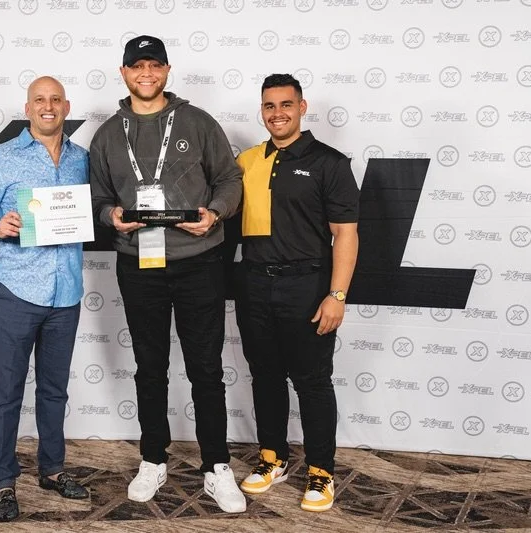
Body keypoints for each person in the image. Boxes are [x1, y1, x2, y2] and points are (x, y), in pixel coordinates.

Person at [89, 35, 246, 513]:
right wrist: (112, 215)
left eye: (154, 65)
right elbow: (98, 196)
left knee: (205, 368)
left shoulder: (197, 122)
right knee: (150, 366)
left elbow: (230, 179)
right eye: (137, 66)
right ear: (123, 73)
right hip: (140, 264)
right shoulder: (108, 134)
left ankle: (216, 465)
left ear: (167, 70)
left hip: (199, 260)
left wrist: (216, 213)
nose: (146, 73)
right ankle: (153, 458)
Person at [0, 76, 90, 522]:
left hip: (67, 292)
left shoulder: (82, 159)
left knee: (55, 391)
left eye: (55, 99)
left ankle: (52, 470)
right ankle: (2, 480)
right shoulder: (2, 157)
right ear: (28, 108)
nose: (48, 106)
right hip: (18, 289)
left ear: (66, 106)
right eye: (40, 100)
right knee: (7, 392)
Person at [234, 73, 359, 512]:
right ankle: (273, 458)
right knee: (265, 375)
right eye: (269, 106)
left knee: (312, 381)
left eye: (286, 105)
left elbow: (345, 234)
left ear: (302, 107)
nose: (277, 114)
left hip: (307, 286)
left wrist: (337, 295)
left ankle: (321, 471)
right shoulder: (247, 160)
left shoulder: (329, 162)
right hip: (253, 284)